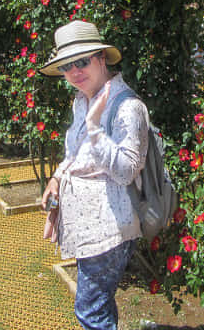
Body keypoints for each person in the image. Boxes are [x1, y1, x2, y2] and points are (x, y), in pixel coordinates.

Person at [40, 20, 149, 330]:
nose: (75, 72)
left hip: (111, 228)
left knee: (89, 311)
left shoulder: (127, 107)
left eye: (82, 61)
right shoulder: (83, 99)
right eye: (66, 66)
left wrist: (94, 126)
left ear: (102, 58)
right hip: (88, 223)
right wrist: (58, 177)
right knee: (99, 304)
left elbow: (127, 171)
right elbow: (75, 153)